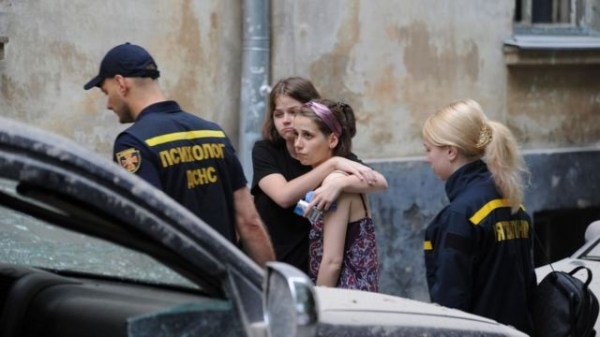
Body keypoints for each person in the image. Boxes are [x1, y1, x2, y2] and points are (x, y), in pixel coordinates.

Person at [83, 42, 274, 267]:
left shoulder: (133, 144)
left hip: (180, 285)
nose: (108, 105)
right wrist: (272, 286)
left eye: (107, 92)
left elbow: (147, 225)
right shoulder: (213, 132)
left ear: (121, 83)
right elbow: (250, 223)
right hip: (225, 283)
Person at [421, 99, 536, 335]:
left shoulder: (460, 215)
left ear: (451, 151)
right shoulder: (510, 199)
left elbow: (451, 305)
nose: (426, 159)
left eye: (428, 149)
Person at [251, 77, 387, 274]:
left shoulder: (328, 153)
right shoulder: (266, 150)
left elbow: (380, 181)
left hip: (306, 266)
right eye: (278, 114)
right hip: (265, 262)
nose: (286, 120)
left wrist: (339, 184)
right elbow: (283, 196)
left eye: (293, 112)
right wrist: (332, 165)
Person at [293, 99, 379, 291]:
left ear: (332, 140)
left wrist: (322, 305)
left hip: (347, 295)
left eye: (307, 135)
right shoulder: (331, 179)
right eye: (296, 134)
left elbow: (332, 261)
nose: (297, 143)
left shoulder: (336, 184)